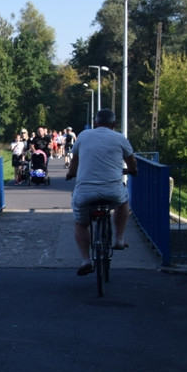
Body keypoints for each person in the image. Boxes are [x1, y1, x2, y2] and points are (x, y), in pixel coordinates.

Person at [65, 109, 138, 276]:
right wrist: (133, 170)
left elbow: (74, 162)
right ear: (114, 124)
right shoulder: (120, 138)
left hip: (85, 192)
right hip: (112, 191)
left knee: (81, 224)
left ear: (95, 123)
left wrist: (70, 174)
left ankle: (85, 260)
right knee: (123, 202)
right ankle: (119, 238)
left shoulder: (83, 136)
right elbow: (131, 160)